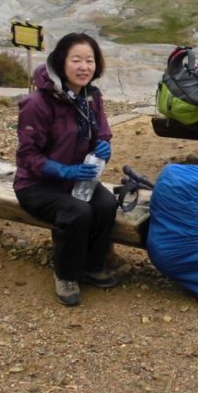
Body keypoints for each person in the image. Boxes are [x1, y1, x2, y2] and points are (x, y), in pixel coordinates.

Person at [13, 32, 118, 306]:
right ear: (61, 62)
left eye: (90, 60)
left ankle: (92, 266)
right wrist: (65, 171)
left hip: (76, 181)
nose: (84, 67)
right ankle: (66, 274)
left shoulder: (91, 98)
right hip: (36, 185)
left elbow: (102, 135)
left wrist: (103, 147)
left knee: (107, 204)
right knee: (77, 211)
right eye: (76, 60)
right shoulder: (38, 104)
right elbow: (27, 157)